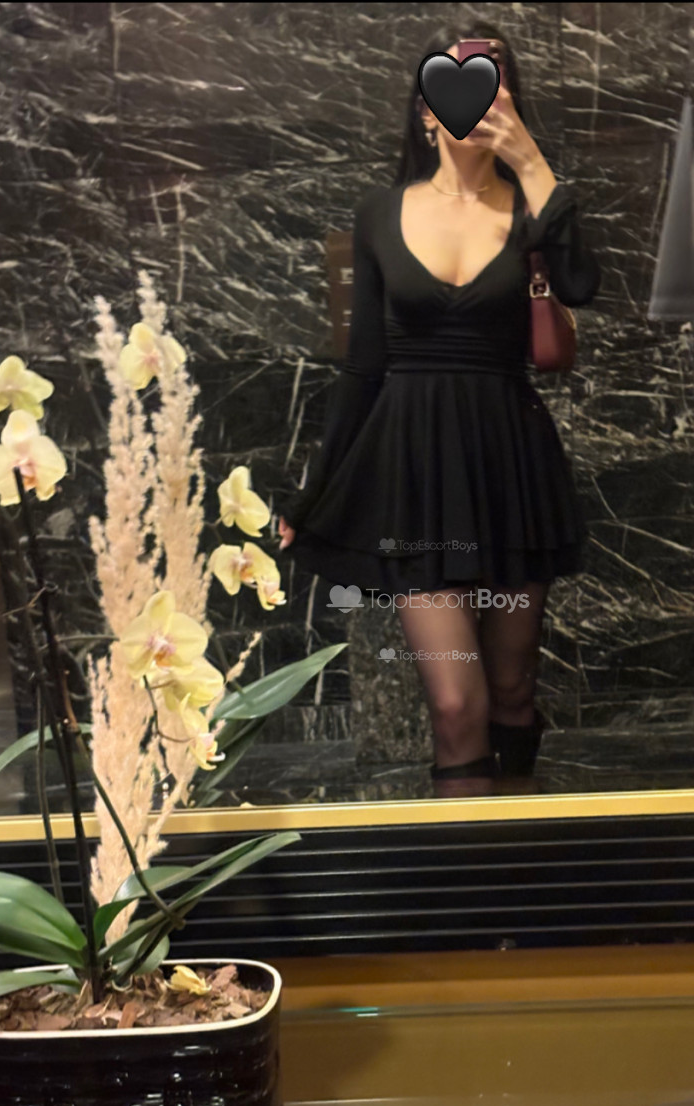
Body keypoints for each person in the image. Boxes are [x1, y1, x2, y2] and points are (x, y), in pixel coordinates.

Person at [278, 22, 601, 798]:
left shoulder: (534, 208)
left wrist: (530, 161)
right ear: (424, 108)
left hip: (510, 468)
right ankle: (473, 868)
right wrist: (313, 495)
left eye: (491, 80)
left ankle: (517, 850)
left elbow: (581, 288)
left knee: (513, 691)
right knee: (457, 704)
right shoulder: (380, 212)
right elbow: (363, 367)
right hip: (417, 476)